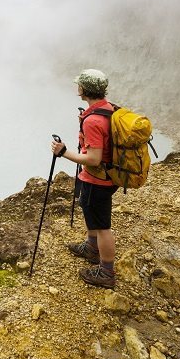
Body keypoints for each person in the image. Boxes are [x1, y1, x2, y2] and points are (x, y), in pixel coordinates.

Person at [50, 69, 118, 289]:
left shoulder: (92, 120)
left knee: (102, 225)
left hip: (97, 179)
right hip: (106, 177)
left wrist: (63, 152)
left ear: (85, 89)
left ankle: (106, 271)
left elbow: (94, 158)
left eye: (79, 84)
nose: (76, 87)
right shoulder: (108, 109)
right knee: (90, 211)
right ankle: (91, 246)